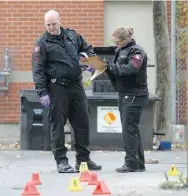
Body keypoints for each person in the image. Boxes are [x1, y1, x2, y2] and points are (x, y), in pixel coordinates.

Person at [31, 10, 102, 173]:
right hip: (57, 89)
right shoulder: (41, 44)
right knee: (57, 125)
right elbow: (38, 70)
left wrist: (93, 61)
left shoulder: (72, 36)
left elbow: (87, 48)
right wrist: (42, 93)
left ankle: (83, 160)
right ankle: (62, 162)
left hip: (76, 86)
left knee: (82, 122)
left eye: (53, 24)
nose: (51, 27)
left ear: (60, 21)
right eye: (47, 24)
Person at [104, 27, 149, 173]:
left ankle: (131, 164)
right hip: (124, 94)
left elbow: (131, 69)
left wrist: (112, 68)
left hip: (136, 94)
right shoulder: (119, 51)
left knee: (129, 130)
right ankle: (138, 164)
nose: (116, 45)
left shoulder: (137, 51)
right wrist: (104, 68)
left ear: (125, 39)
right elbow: (115, 70)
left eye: (117, 42)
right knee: (131, 129)